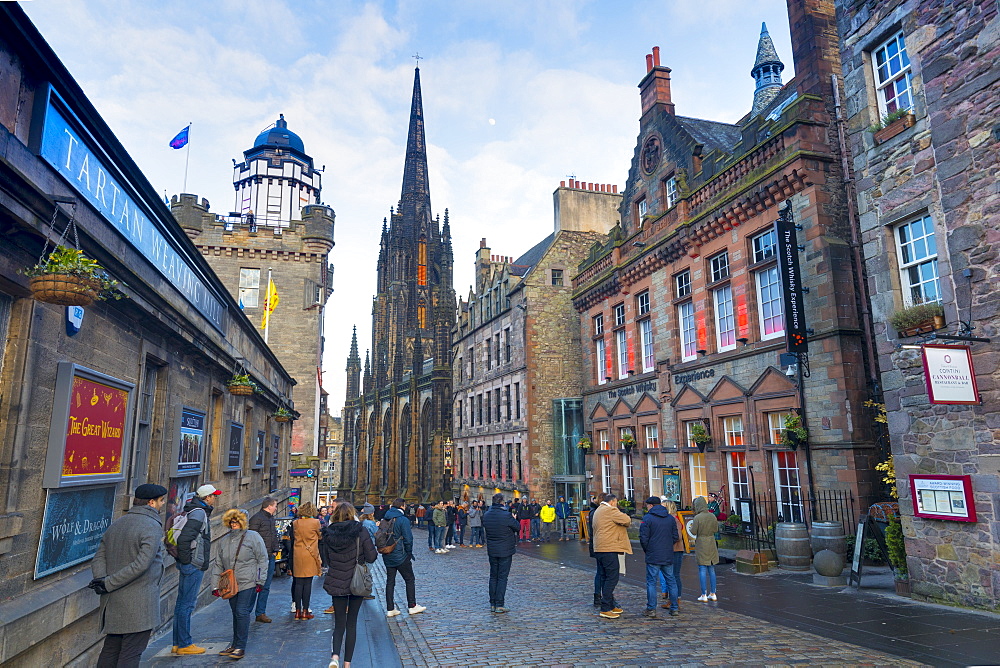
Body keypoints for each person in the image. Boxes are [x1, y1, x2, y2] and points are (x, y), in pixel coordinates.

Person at [89, 483, 167, 667]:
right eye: (161, 500)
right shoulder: (152, 526)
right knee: (131, 653)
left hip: (113, 601)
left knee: (111, 649)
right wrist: (108, 583)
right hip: (138, 603)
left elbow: (98, 557)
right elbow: (142, 564)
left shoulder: (118, 523)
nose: (163, 504)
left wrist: (102, 580)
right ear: (151, 502)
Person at [320, 500, 377, 668]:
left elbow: (326, 560)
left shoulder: (329, 533)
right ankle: (347, 664)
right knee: (352, 623)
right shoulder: (361, 531)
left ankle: (335, 657)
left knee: (339, 623)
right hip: (356, 581)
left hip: (337, 580)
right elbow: (372, 556)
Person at [211, 509, 268, 660]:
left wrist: (260, 580)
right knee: (236, 612)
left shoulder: (253, 537)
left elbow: (262, 559)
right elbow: (218, 563)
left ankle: (240, 646)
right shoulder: (224, 540)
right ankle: (235, 644)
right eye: (232, 522)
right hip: (231, 583)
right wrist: (215, 586)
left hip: (248, 581)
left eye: (236, 522)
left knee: (242, 612)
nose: (234, 524)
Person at [172, 483, 221, 655]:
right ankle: (185, 644)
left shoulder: (193, 510)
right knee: (187, 605)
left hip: (189, 563)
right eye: (214, 496)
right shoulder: (199, 513)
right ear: (207, 498)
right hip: (193, 564)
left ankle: (177, 643)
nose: (215, 498)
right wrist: (188, 562)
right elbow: (185, 540)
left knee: (181, 604)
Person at [382, 498, 426, 618]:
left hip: (387, 554)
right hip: (400, 555)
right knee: (409, 579)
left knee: (390, 582)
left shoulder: (385, 518)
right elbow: (408, 538)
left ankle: (390, 609)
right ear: (402, 506)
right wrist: (408, 553)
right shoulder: (402, 519)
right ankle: (412, 605)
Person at [592, 492, 632, 619]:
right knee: (612, 577)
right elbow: (627, 520)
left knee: (604, 577)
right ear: (613, 502)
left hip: (600, 548)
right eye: (616, 503)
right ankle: (605, 608)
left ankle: (610, 604)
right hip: (609, 547)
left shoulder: (599, 510)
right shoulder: (610, 510)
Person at [639, 496, 680, 618]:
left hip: (653, 554)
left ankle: (651, 609)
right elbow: (675, 536)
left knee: (651, 582)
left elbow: (643, 538)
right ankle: (674, 608)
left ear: (651, 505)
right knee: (671, 581)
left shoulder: (647, 518)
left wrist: (648, 549)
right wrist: (667, 546)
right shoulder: (670, 518)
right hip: (667, 553)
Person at [482, 492, 519, 613]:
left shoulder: (487, 514)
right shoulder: (506, 515)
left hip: (492, 549)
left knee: (493, 576)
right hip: (505, 549)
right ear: (502, 502)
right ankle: (499, 604)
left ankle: (492, 603)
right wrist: (513, 519)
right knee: (502, 577)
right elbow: (517, 527)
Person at [288, 502, 323, 620]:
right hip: (310, 554)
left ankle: (297, 611)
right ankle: (305, 611)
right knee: (307, 583)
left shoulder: (295, 523)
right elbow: (320, 536)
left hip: (298, 554)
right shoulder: (316, 522)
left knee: (298, 583)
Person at [248, 497, 279, 623]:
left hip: (270, 556)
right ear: (269, 506)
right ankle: (247, 611)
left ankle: (260, 612)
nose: (276, 508)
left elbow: (274, 535)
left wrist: (276, 549)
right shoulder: (257, 518)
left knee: (266, 586)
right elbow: (251, 538)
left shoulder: (271, 518)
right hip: (259, 558)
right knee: (255, 585)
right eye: (275, 505)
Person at [691, 496, 720, 602]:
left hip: (702, 542)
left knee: (702, 568)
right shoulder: (712, 516)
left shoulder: (697, 518)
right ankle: (713, 593)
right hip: (711, 541)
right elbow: (716, 529)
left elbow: (694, 532)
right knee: (711, 569)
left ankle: (703, 594)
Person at [662, 500, 686, 609]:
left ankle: (676, 599)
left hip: (675, 550)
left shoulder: (674, 519)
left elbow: (678, 537)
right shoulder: (669, 519)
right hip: (670, 550)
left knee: (674, 575)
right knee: (671, 576)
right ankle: (672, 599)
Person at [586, 495, 603, 607]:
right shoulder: (596, 513)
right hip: (600, 545)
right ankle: (602, 597)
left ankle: (599, 597)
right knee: (603, 573)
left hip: (598, 545)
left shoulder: (594, 511)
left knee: (601, 572)